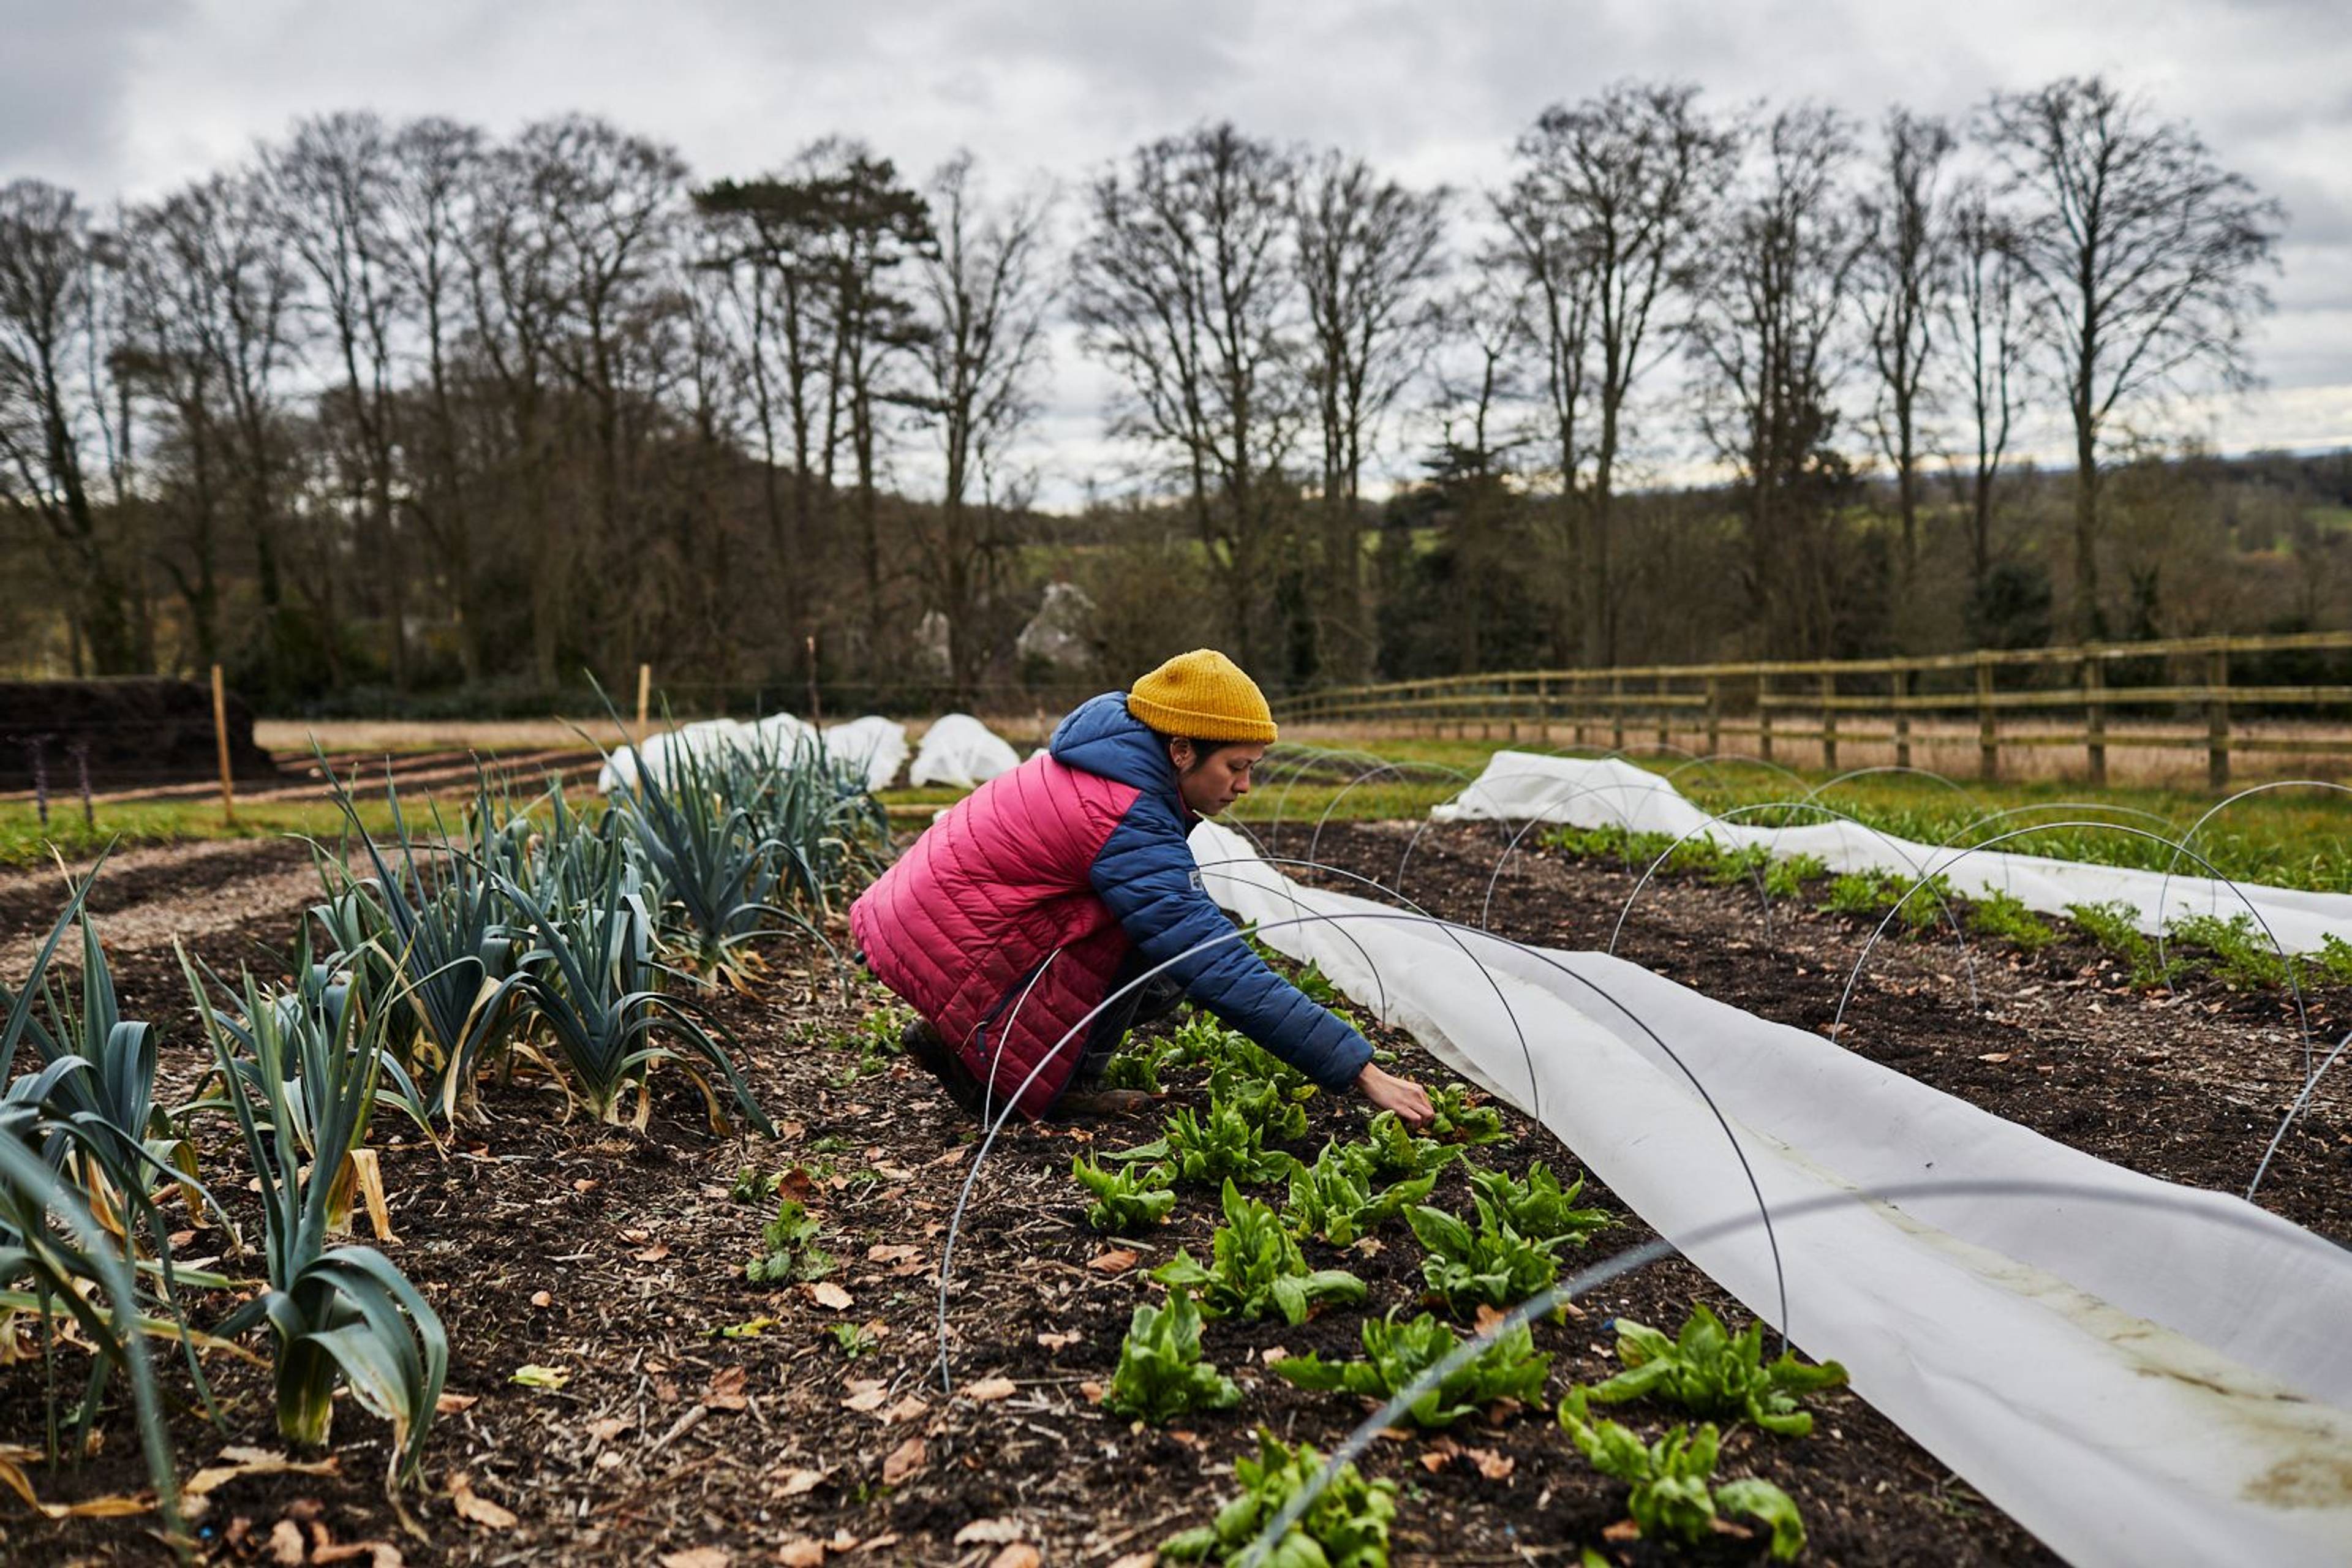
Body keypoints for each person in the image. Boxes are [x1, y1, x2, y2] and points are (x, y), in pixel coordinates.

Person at [851, 649, 1435, 1126]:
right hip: (949, 941)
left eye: (1254, 767)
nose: (1246, 785)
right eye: (1236, 767)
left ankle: (977, 1043)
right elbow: (1214, 963)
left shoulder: (1115, 767)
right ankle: (1016, 1074)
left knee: (1160, 958)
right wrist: (1360, 1070)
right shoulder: (1121, 813)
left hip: (933, 924)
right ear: (1181, 750)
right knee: (1162, 951)